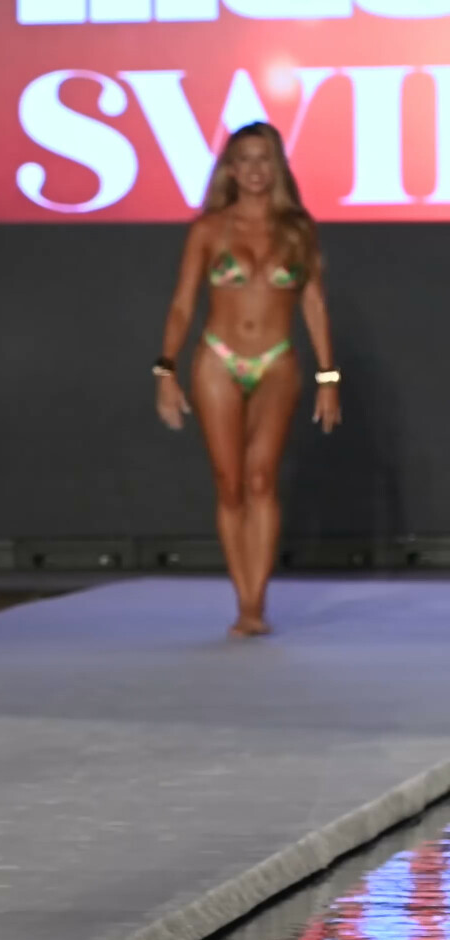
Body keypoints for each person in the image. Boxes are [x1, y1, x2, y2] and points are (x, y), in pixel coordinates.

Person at [155, 121, 340, 638]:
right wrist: (165, 369)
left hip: (277, 360)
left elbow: (313, 303)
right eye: (246, 160)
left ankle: (255, 604)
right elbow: (182, 303)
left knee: (262, 479)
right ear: (230, 170)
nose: (256, 169)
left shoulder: (297, 229)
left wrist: (329, 376)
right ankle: (243, 599)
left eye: (265, 159)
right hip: (218, 358)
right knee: (229, 482)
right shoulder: (209, 230)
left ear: (277, 167)